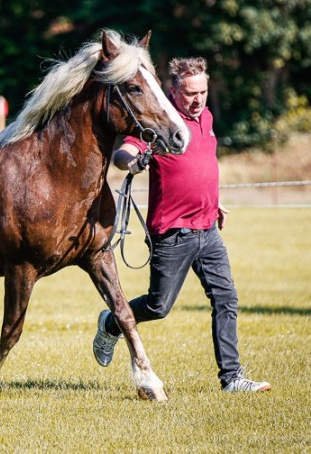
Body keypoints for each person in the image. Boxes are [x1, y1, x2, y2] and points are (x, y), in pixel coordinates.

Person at [93, 57, 271, 393]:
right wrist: (133, 163)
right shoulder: (160, 123)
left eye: (203, 91)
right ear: (174, 91)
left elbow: (201, 164)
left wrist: (212, 201)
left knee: (226, 298)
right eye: (191, 93)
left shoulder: (206, 117)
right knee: (159, 306)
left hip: (208, 229)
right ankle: (111, 323)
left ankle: (231, 378)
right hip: (173, 233)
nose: (198, 99)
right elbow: (123, 154)